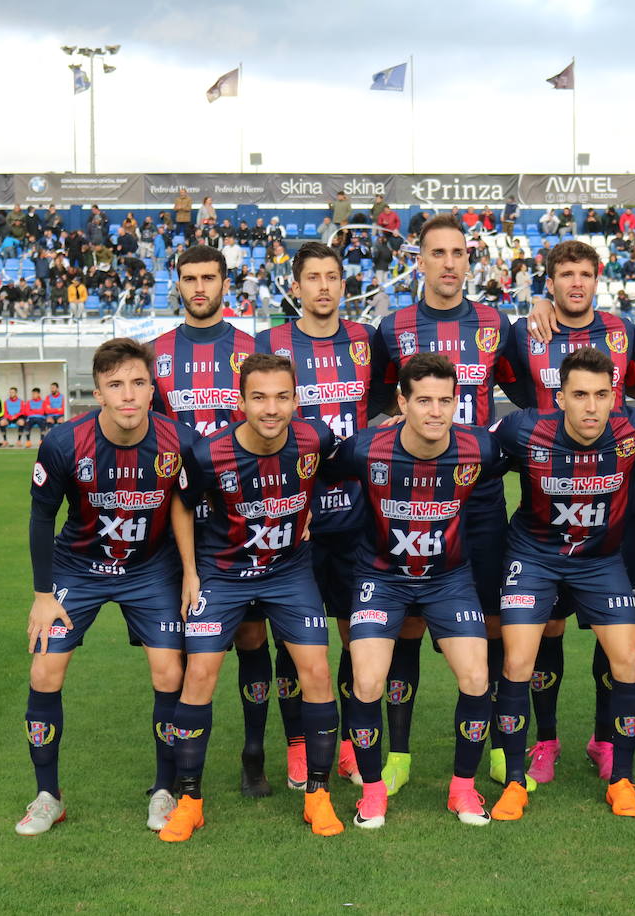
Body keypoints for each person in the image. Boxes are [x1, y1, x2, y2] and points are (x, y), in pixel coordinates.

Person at [157, 354, 344, 843]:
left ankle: (318, 797)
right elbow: (180, 502)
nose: (271, 408)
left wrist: (307, 517)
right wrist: (191, 572)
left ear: (296, 399)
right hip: (223, 573)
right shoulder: (206, 453)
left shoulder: (315, 439)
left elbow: (339, 472)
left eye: (282, 396)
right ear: (239, 401)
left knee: (318, 671)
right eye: (259, 397)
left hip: (288, 572)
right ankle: (190, 802)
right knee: (199, 674)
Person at [15, 338, 196, 836]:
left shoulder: (177, 440)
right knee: (45, 671)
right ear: (97, 392)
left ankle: (164, 790)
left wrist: (189, 574)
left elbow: (187, 507)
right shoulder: (63, 442)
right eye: (115, 385)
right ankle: (47, 795)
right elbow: (40, 517)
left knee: (168, 672)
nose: (128, 394)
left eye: (138, 382)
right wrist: (42, 594)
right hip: (78, 568)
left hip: (151, 570)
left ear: (152, 388)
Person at [367, 215, 516, 795]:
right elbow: (380, 400)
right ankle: (398, 754)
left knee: (495, 622)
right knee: (405, 623)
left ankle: (502, 746)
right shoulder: (393, 326)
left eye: (460, 253)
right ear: (419, 260)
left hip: (476, 497)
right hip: (405, 497)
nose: (450, 262)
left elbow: (528, 393)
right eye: (439, 253)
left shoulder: (495, 324)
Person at [326, 354, 506, 829]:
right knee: (366, 681)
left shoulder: (479, 451)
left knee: (475, 677)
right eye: (423, 400)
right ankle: (372, 791)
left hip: (448, 578)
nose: (435, 411)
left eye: (445, 401)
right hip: (380, 577)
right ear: (401, 402)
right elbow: (317, 475)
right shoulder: (366, 448)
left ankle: (463, 791)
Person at [489, 347, 635, 822]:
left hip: (600, 561)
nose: (591, 406)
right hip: (534, 556)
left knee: (627, 660)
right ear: (559, 398)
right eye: (580, 395)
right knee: (518, 660)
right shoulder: (523, 429)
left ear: (615, 397)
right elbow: (472, 453)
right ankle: (512, 783)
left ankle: (622, 780)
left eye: (602, 395)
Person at [501, 239, 635, 784]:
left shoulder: (625, 329)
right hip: (544, 490)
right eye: (566, 275)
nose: (576, 283)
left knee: (616, 636)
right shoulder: (524, 331)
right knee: (547, 631)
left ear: (597, 278)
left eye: (585, 273)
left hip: (609, 498)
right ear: (550, 281)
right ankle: (545, 740)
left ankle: (606, 739)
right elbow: (499, 385)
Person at [150, 244, 277, 795]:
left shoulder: (253, 349)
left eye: (209, 277)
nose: (199, 287)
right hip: (173, 516)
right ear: (177, 284)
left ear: (227, 283)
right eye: (189, 278)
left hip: (240, 517)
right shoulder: (155, 355)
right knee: (178, 647)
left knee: (251, 636)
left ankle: (254, 751)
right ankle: (178, 768)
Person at [255, 241, 376, 788]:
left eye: (333, 276)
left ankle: (347, 742)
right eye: (313, 278)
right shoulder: (272, 343)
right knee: (294, 642)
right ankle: (298, 747)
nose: (324, 286)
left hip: (356, 514)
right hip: (292, 516)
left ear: (343, 285)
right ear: (296, 286)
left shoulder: (366, 340)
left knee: (355, 636)